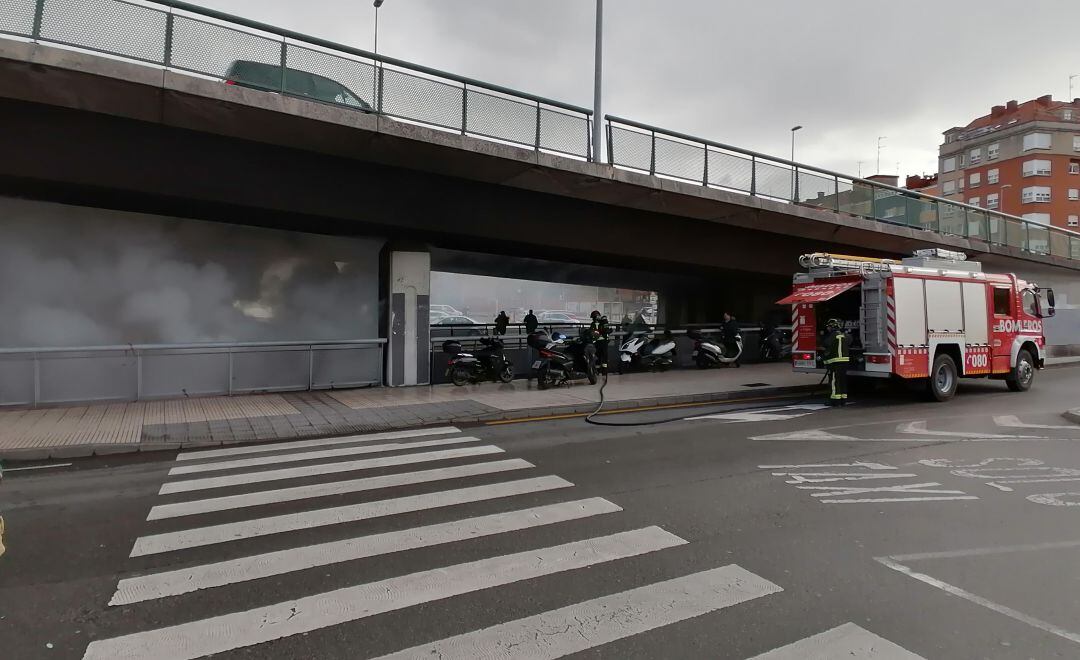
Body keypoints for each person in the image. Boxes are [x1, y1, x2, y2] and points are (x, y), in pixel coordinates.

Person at [821, 318, 850, 406]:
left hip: (835, 362)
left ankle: (835, 400)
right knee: (842, 381)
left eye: (829, 327)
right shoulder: (845, 335)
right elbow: (850, 341)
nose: (828, 328)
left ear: (833, 327)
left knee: (834, 381)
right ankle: (843, 400)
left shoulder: (833, 335)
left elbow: (826, 344)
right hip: (844, 361)